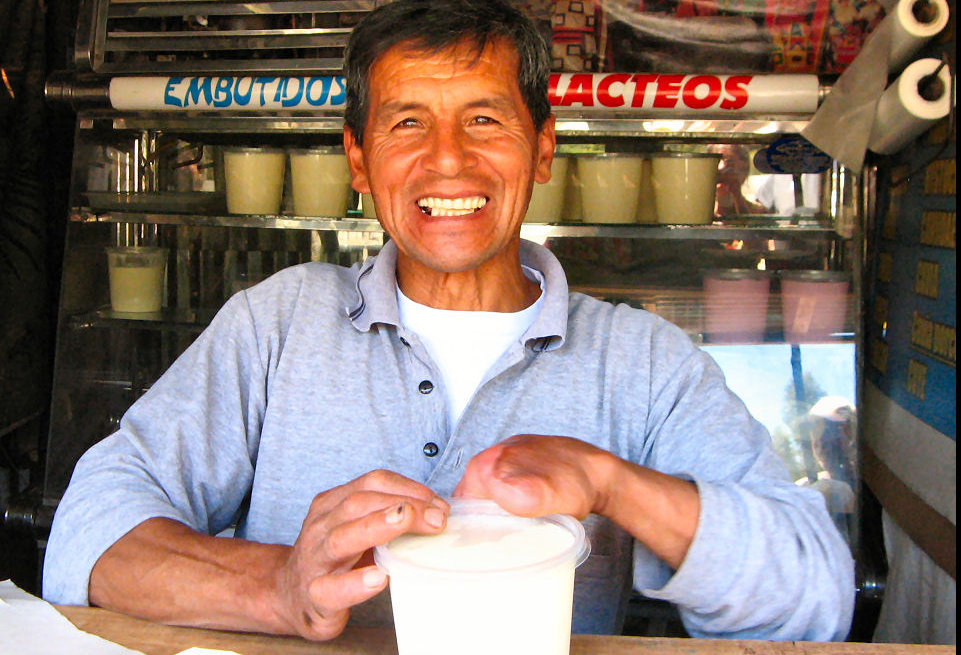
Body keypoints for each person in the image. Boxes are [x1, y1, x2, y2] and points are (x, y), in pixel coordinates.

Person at [43, 0, 855, 642]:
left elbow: (814, 598)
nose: (446, 160)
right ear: (358, 160)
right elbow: (88, 534)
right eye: (406, 123)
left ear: (542, 149)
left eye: (483, 118)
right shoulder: (279, 322)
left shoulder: (642, 361)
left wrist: (609, 481)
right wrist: (280, 584)